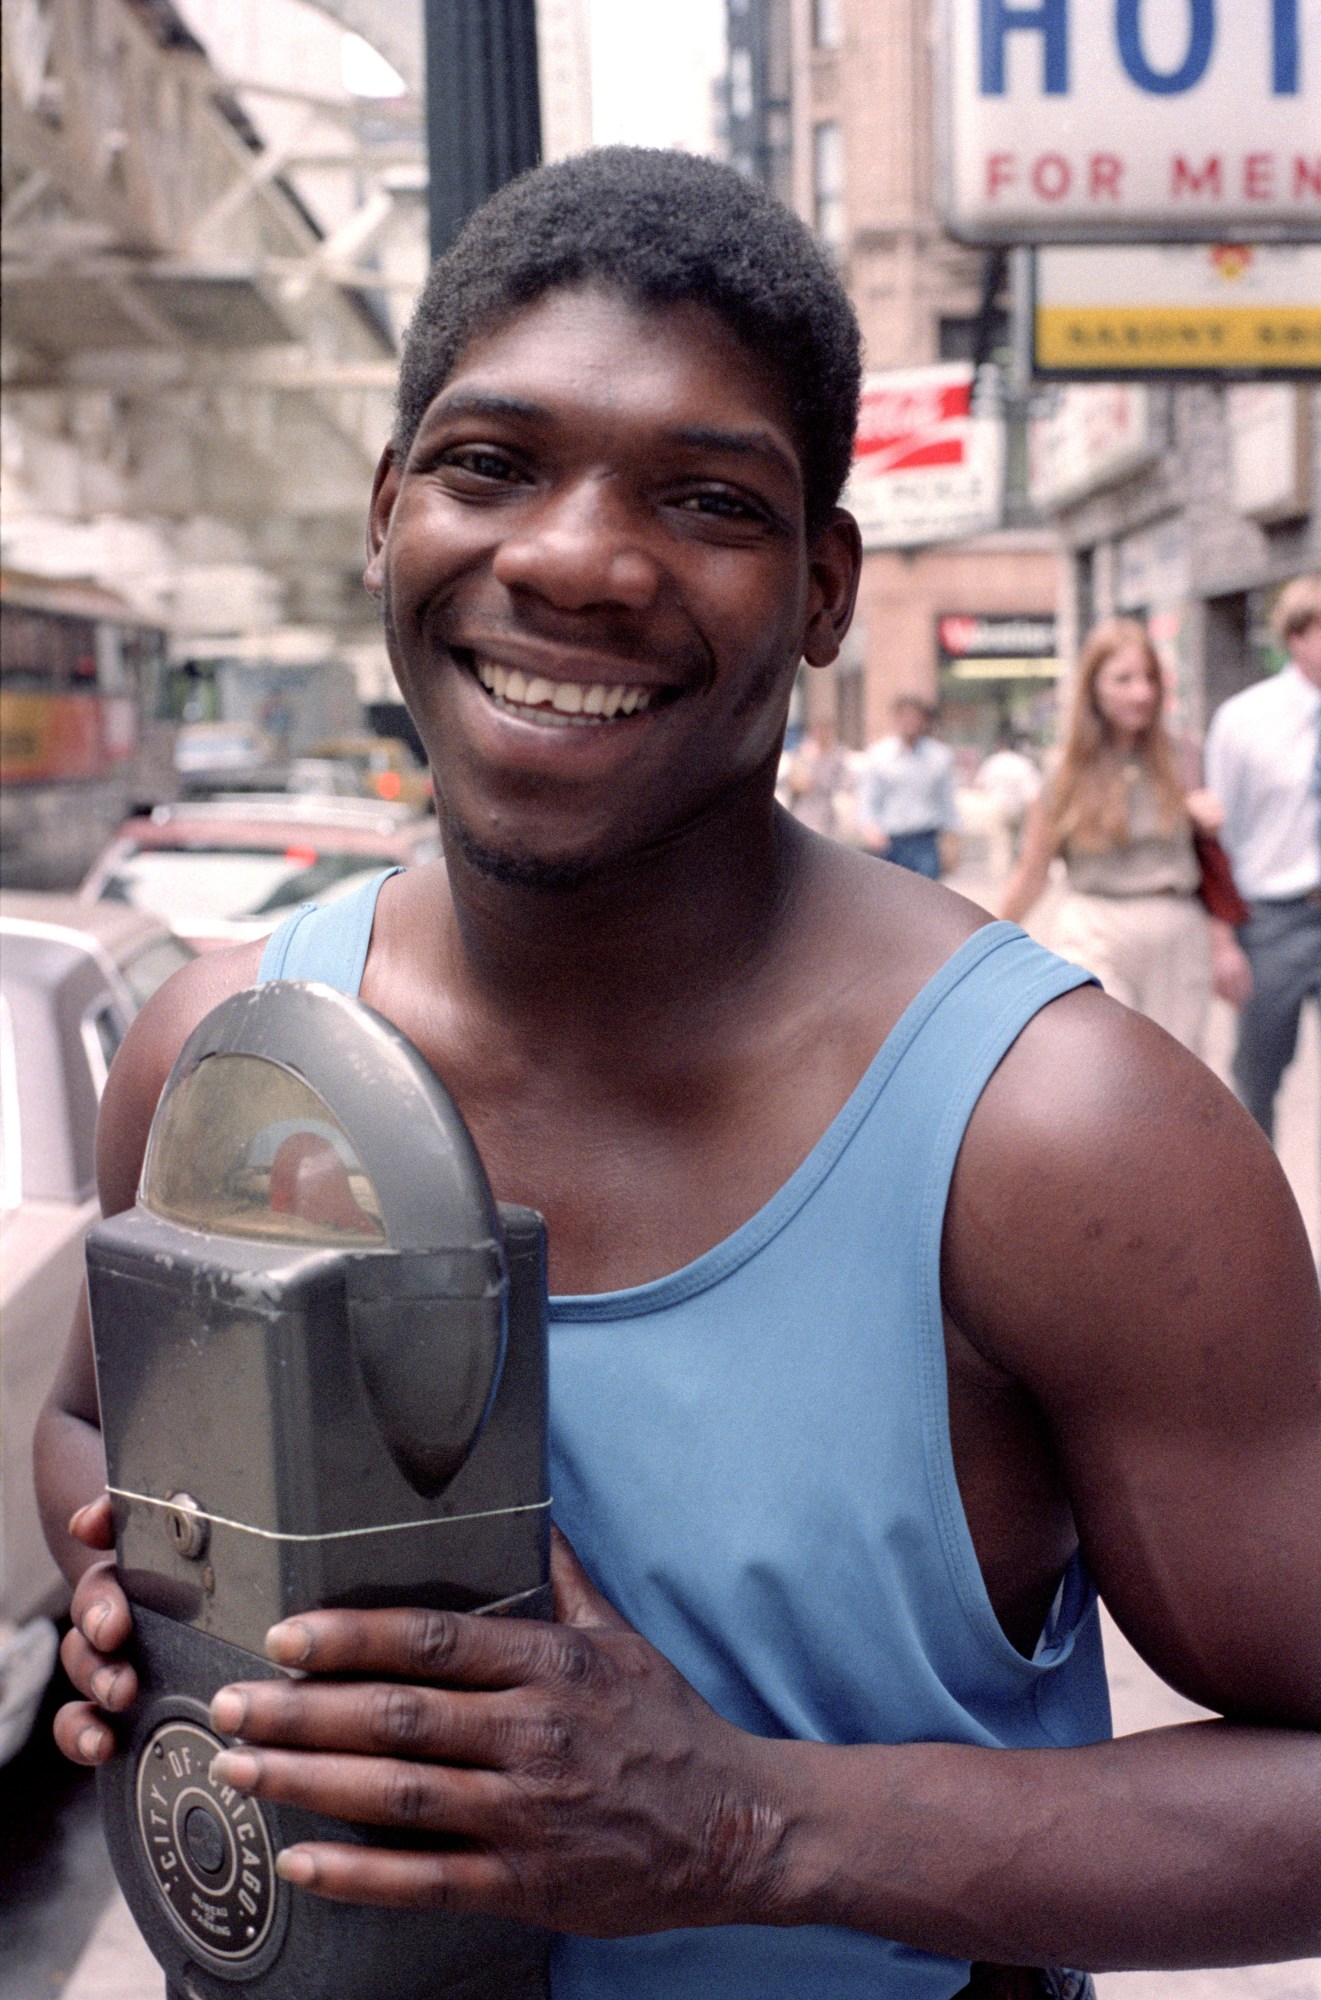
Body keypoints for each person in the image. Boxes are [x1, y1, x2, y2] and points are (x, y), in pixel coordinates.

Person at [35, 149, 1320, 2000]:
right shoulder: (224, 1058)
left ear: (819, 589)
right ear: (387, 512)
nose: (573, 558)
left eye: (706, 498)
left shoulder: (1061, 1138)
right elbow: (87, 1427)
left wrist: (745, 1826)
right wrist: (131, 1597)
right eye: (490, 468)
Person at [998, 617, 1249, 1055]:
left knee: (1175, 1070)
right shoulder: (1064, 769)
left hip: (1174, 927)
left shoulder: (1182, 754)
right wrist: (988, 942)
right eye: (1124, 679)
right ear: (1093, 686)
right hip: (1095, 926)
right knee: (1104, 1059)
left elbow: (1208, 859)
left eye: (1150, 678)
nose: (1142, 693)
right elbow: (1033, 871)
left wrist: (1224, 946)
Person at [1205, 573, 1321, 1140]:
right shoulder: (1244, 720)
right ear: (1297, 637)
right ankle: (1259, 1213)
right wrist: (1223, 941)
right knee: (1258, 1076)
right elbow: (1218, 837)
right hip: (1273, 918)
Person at [857, 694, 959, 878]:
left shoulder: (939, 756)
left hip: (925, 841)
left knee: (927, 899)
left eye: (915, 717)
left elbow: (947, 802)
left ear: (924, 721)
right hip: (891, 842)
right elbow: (869, 799)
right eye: (905, 716)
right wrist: (869, 828)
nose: (910, 722)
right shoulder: (879, 756)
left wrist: (952, 842)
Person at [976, 730, 1041, 881]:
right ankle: (1016, 876)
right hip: (1018, 809)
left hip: (998, 807)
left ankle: (1001, 880)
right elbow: (1032, 791)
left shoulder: (993, 762)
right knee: (1019, 845)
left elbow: (980, 783)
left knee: (1000, 846)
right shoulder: (1022, 763)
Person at [784, 716, 850, 840]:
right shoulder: (802, 753)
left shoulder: (838, 755)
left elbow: (844, 785)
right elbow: (793, 783)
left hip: (827, 817)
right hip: (802, 815)